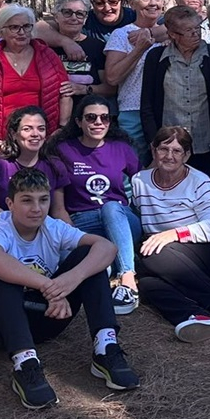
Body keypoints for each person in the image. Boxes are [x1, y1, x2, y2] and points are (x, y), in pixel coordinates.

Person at [0, 168, 143, 409]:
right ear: (10, 204)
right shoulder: (0, 227)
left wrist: (72, 279)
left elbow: (107, 248)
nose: (36, 208)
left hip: (43, 318)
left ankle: (105, 347)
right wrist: (50, 286)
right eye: (27, 200)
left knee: (90, 257)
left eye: (43, 200)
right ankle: (25, 363)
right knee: (3, 272)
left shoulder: (52, 226)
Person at [130, 126, 210, 341]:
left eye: (177, 151)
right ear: (153, 150)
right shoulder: (140, 181)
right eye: (163, 149)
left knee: (152, 253)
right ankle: (193, 316)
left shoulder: (198, 181)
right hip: (174, 261)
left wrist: (175, 234)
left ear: (186, 155)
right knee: (146, 282)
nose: (169, 156)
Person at [44, 96, 145, 315]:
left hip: (121, 219)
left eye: (104, 118)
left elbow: (143, 186)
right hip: (82, 222)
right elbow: (58, 206)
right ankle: (112, 267)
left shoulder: (121, 148)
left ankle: (128, 279)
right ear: (79, 122)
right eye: (91, 117)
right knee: (88, 265)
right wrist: (71, 235)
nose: (98, 122)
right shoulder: (63, 150)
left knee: (111, 207)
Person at [0, 4, 71, 150]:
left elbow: (65, 92)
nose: (22, 32)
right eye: (14, 27)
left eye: (26, 26)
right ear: (1, 31)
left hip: (41, 139)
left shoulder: (48, 56)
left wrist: (62, 128)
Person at [139, 5, 210, 175]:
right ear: (173, 34)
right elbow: (147, 103)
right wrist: (154, 140)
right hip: (169, 145)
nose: (196, 34)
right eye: (188, 30)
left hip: (206, 142)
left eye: (197, 28)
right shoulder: (156, 58)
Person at [102, 0, 167, 151]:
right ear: (132, 4)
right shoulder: (122, 34)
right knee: (132, 162)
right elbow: (112, 77)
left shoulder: (172, 33)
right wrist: (139, 49)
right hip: (133, 110)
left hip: (166, 109)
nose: (153, 3)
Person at [0, 107, 50, 219]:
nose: (35, 134)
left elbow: (58, 211)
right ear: (14, 134)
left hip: (38, 224)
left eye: (41, 129)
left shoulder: (53, 164)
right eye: (27, 129)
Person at [48, 0, 106, 95]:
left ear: (85, 19)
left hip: (89, 103)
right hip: (53, 102)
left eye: (79, 14)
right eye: (67, 12)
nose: (74, 18)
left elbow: (109, 88)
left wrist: (84, 90)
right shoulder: (45, 46)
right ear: (56, 17)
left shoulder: (97, 46)